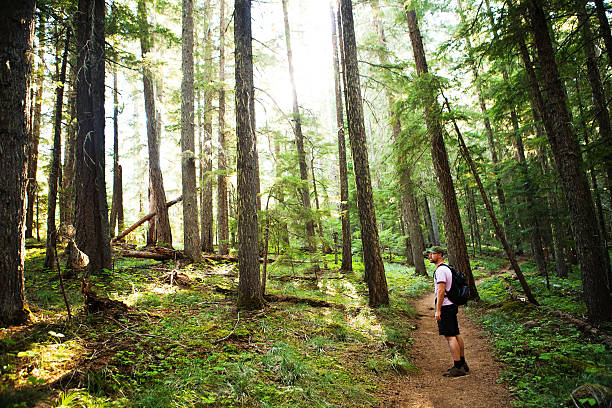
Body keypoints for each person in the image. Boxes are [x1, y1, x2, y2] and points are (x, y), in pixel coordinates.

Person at [424, 246, 469, 377]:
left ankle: (457, 367)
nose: (430, 256)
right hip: (452, 305)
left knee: (450, 337)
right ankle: (462, 362)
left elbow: (441, 290)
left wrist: (438, 310)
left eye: (432, 254)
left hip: (445, 306)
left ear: (439, 255)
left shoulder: (441, 271)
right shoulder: (447, 268)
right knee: (456, 333)